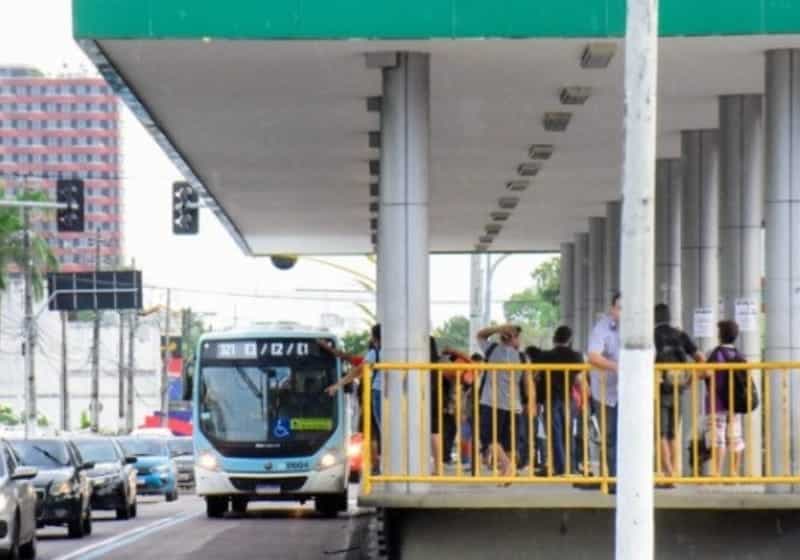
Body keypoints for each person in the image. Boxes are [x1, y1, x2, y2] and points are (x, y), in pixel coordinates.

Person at [653, 303, 705, 485]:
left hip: (658, 390)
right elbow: (701, 358)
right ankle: (673, 472)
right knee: (673, 434)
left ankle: (667, 475)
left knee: (660, 433)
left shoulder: (652, 336)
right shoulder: (680, 334)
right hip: (679, 389)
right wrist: (690, 380)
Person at [475, 324, 530, 480]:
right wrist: (499, 328)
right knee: (502, 441)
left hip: (500, 404)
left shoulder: (522, 357)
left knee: (492, 439)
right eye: (508, 333)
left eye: (512, 334)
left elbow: (527, 382)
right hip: (503, 404)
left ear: (517, 338)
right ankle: (507, 472)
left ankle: (507, 467)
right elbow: (480, 335)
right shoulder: (492, 349)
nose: (509, 335)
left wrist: (529, 402)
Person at [325, 324, 382, 472]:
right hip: (396, 396)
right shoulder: (397, 353)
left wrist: (337, 385)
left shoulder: (374, 353)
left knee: (373, 432)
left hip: (375, 395)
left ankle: (376, 466)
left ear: (374, 338)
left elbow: (353, 366)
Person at [537, 326, 584, 476]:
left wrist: (536, 400)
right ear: (570, 340)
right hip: (568, 398)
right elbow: (579, 379)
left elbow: (537, 378)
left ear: (554, 339)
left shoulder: (544, 356)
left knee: (554, 433)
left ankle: (560, 466)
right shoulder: (576, 356)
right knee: (568, 432)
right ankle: (571, 466)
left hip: (549, 398)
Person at [587, 292, 621, 485]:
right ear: (612, 309)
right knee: (609, 436)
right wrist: (617, 367)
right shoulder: (602, 327)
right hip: (606, 393)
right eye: (619, 307)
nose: (622, 312)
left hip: (632, 393)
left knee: (630, 436)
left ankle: (629, 479)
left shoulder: (641, 327)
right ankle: (611, 479)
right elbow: (593, 355)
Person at [704, 320, 746, 477]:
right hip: (735, 403)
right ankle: (734, 473)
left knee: (718, 438)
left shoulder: (715, 353)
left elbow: (707, 373)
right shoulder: (740, 355)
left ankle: (716, 473)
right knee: (735, 437)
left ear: (720, 335)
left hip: (717, 403)